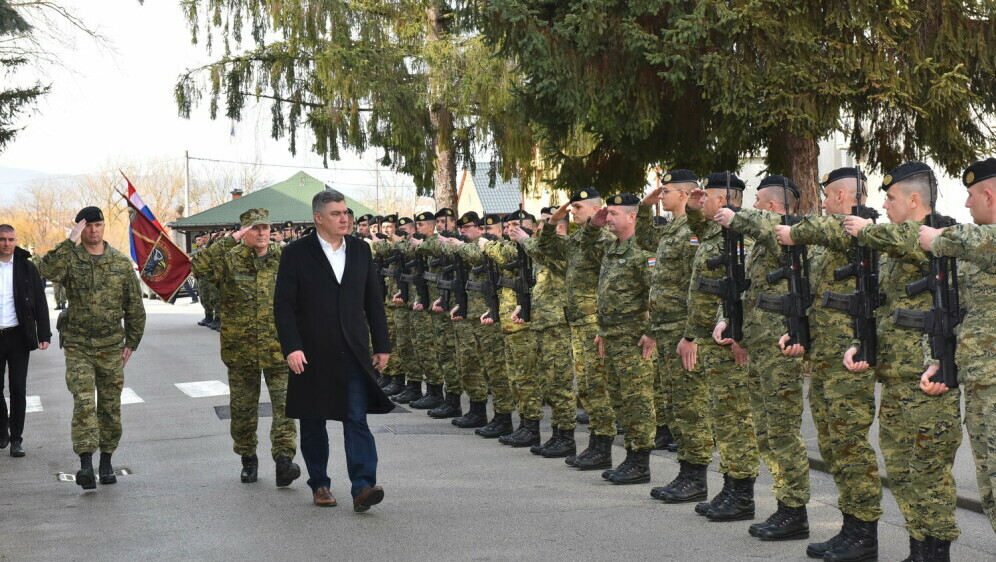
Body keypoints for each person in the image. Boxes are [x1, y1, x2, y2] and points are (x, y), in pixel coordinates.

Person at [841, 162, 962, 558]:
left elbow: (911, 238)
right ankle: (918, 546)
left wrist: (867, 230)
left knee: (929, 473)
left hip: (928, 382)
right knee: (902, 470)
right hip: (896, 379)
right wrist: (863, 346)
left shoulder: (937, 234)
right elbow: (883, 308)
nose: (884, 204)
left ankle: (936, 550)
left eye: (890, 198)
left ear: (914, 199)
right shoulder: (892, 248)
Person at [776, 168, 884, 560]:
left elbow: (832, 230)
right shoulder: (827, 235)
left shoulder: (862, 227)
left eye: (826, 196)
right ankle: (850, 526)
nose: (821, 202)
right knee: (832, 444)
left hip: (849, 360)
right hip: (825, 357)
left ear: (842, 196)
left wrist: (795, 232)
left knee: (850, 443)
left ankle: (864, 533)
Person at [274, 188, 394, 511]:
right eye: (337, 214)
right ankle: (321, 484)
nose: (345, 219)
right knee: (314, 421)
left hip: (353, 352)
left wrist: (382, 344)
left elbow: (373, 300)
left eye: (347, 213)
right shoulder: (296, 254)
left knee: (356, 418)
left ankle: (363, 486)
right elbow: (283, 306)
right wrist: (292, 347)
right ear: (318, 218)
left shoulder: (360, 251)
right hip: (311, 354)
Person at [190, 208, 301, 489]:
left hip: (279, 348)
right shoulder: (228, 258)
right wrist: (229, 241)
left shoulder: (285, 257)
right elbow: (198, 266)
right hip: (240, 350)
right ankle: (248, 458)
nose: (262, 233)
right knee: (242, 409)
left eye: (265, 227)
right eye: (255, 229)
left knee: (286, 407)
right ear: (243, 232)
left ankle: (284, 460)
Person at [38, 207, 146, 490]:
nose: (94, 231)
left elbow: (135, 307)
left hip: (111, 346)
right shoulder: (70, 259)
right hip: (78, 345)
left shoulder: (120, 263)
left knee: (110, 406)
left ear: (104, 226)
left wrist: (131, 343)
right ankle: (86, 464)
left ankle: (107, 461)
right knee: (84, 402)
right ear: (81, 229)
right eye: (88, 227)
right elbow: (45, 270)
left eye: (98, 225)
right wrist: (69, 241)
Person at [919, 157, 996, 534]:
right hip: (981, 390)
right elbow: (954, 314)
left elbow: (982, 242)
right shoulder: (971, 251)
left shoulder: (976, 242)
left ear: (989, 194)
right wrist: (938, 361)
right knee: (990, 489)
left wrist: (940, 238)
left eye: (969, 196)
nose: (966, 205)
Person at [680, 175, 760, 521]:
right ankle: (730, 486)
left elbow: (742, 286)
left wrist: (736, 327)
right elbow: (694, 217)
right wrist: (693, 201)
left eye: (709, 198)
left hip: (730, 341)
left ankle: (742, 494)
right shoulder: (714, 231)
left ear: (727, 199)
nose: (704, 203)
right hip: (713, 339)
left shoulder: (741, 233)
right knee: (721, 418)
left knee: (734, 418)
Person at [539, 190, 618, 470]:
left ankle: (602, 446)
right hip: (577, 323)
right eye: (571, 207)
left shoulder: (604, 240)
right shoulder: (574, 240)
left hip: (594, 323)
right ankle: (595, 445)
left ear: (597, 210)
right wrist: (553, 221)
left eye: (579, 207)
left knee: (597, 387)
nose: (573, 211)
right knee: (585, 387)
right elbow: (545, 248)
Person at [584, 195, 658, 485]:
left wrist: (651, 332)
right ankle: (631, 456)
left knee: (637, 399)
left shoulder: (642, 252)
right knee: (619, 398)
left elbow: (656, 295)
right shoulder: (613, 249)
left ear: (632, 217)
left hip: (634, 338)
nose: (609, 217)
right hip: (613, 337)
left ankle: (640, 461)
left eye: (614, 213)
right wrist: (602, 330)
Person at [0, 225, 52, 458]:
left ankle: (16, 440)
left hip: (19, 335)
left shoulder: (26, 267)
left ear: (16, 241)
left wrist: (44, 334)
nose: (7, 244)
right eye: (2, 239)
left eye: (11, 239)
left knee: (18, 389)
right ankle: (3, 429)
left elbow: (40, 301)